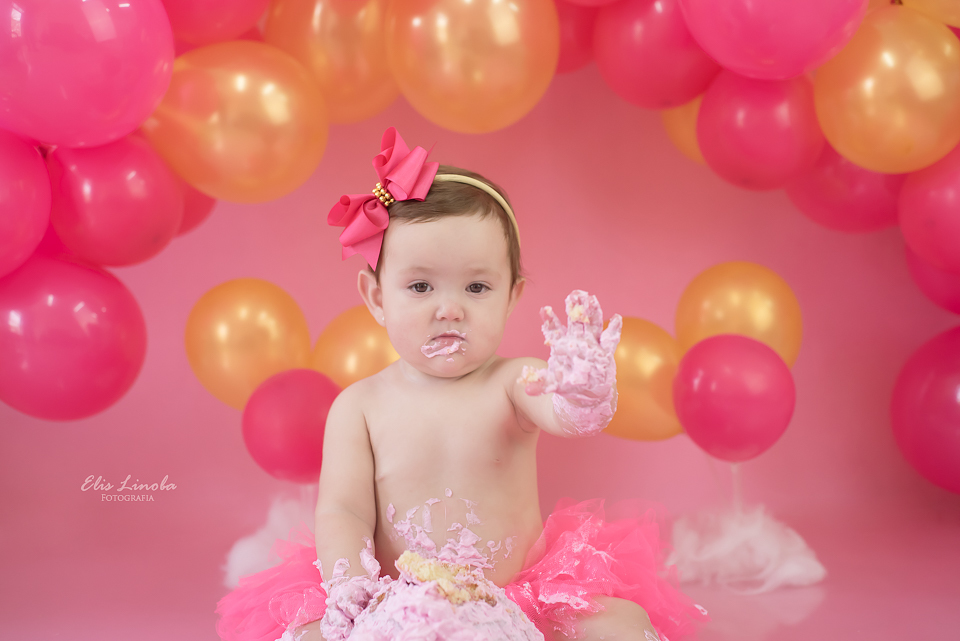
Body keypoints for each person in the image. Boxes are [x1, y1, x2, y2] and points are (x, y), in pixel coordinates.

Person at [216, 128, 707, 641]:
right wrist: (352, 588)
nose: (449, 308)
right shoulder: (359, 406)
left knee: (624, 625)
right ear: (377, 297)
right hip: (393, 599)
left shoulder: (513, 382)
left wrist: (582, 395)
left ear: (511, 297)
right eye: (420, 286)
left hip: (517, 596)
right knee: (306, 636)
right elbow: (344, 509)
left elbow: (561, 412)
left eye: (476, 286)